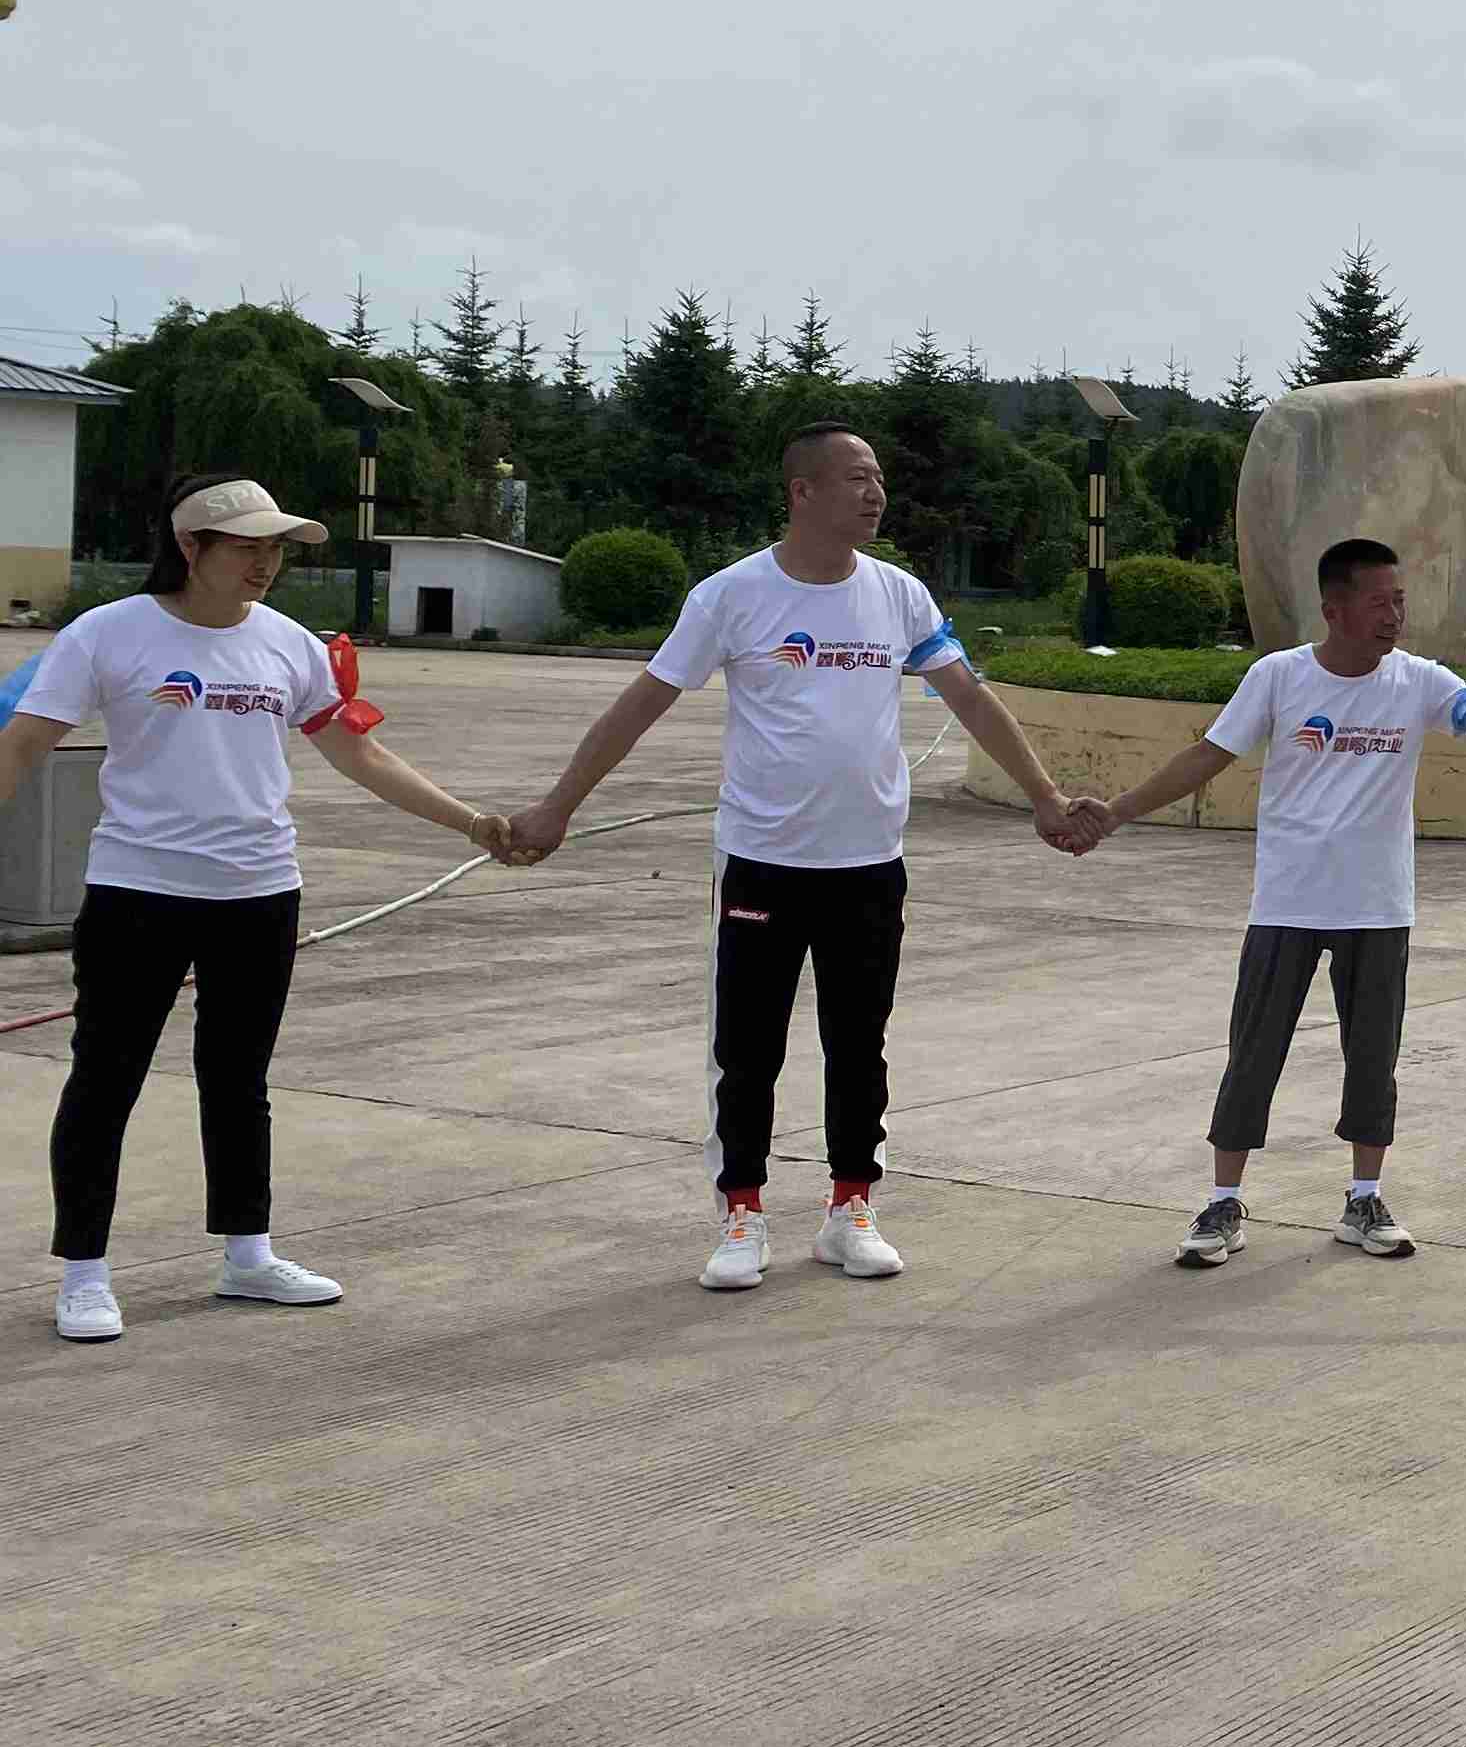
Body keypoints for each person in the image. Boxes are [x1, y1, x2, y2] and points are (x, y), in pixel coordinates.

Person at [508, 425, 1100, 1292]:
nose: (875, 493)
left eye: (879, 478)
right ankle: (741, 1212)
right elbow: (640, 706)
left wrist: (1046, 797)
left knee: (859, 1044)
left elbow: (971, 699)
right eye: (856, 477)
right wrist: (558, 806)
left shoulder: (898, 595)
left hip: (869, 864)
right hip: (762, 862)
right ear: (802, 491)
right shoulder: (731, 596)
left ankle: (850, 1208)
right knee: (748, 1049)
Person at [1, 474, 524, 1344]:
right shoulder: (108, 634)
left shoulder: (288, 644)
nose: (267, 563)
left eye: (276, 548)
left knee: (239, 1079)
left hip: (258, 892)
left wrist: (472, 823)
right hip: (139, 892)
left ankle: (247, 1254)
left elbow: (359, 754)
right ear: (190, 546)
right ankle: (85, 1272)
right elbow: (21, 747)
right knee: (106, 1079)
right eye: (248, 547)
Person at [1089, 536, 1466, 1268]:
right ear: (1334, 609)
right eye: (1380, 602)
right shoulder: (1278, 677)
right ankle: (1223, 1202)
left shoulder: (1419, 682)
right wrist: (1115, 812)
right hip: (1287, 902)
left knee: (1373, 1059)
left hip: (1378, 907)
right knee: (1253, 1054)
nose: (1394, 616)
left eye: (1400, 601)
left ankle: (1364, 1197)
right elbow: (1207, 756)